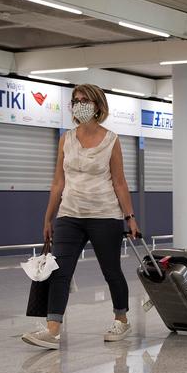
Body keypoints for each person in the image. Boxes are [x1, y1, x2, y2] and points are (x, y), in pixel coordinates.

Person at [22, 84, 139, 350]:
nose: (79, 104)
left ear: (98, 105)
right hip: (69, 214)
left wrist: (129, 216)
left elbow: (120, 182)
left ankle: (121, 318)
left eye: (85, 100)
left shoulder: (111, 139)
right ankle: (53, 330)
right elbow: (57, 182)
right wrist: (48, 218)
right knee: (59, 272)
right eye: (75, 100)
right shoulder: (66, 138)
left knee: (111, 270)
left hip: (105, 214)